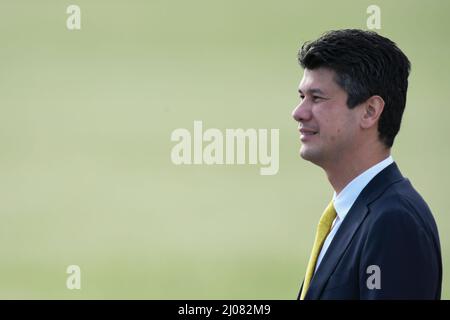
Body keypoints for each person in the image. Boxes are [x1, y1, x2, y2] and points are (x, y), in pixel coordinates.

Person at [292, 29, 442, 300]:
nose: (298, 112)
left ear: (370, 111)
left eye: (317, 98)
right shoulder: (355, 212)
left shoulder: (394, 223)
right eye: (301, 97)